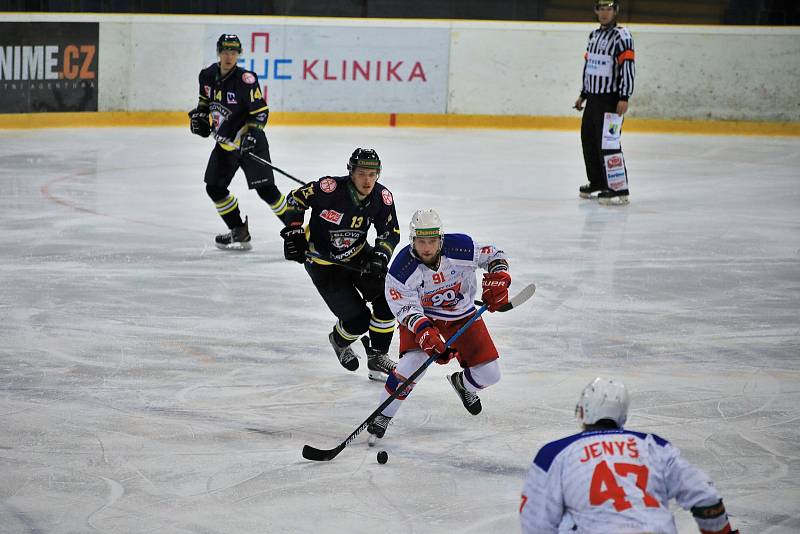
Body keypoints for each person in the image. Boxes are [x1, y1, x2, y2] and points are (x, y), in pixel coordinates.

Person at [520, 378, 740, 534]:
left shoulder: (554, 454)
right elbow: (705, 496)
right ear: (623, 415)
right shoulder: (654, 446)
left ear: (582, 411)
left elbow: (537, 522)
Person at [366, 209, 512, 440]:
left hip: (461, 315)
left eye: (432, 241)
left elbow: (494, 254)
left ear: (440, 239)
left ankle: (464, 385)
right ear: (412, 240)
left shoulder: (461, 247)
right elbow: (405, 308)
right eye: (421, 241)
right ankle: (384, 413)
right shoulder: (401, 270)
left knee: (491, 374)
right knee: (412, 365)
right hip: (423, 317)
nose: (427, 247)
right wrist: (424, 331)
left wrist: (499, 278)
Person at [280, 148, 400, 381]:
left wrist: (380, 256)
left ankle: (377, 357)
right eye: (362, 173)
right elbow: (295, 198)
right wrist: (294, 230)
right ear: (351, 172)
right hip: (323, 263)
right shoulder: (329, 189)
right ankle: (338, 340)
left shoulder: (382, 197)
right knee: (358, 321)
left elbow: (390, 231)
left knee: (388, 297)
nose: (367, 180)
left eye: (372, 174)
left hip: (357, 254)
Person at [188, 33, 290, 250]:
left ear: (238, 54)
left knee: (267, 191)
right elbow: (204, 104)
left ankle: (300, 232)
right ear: (218, 52)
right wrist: (200, 119)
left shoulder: (246, 81)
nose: (229, 56)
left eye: (233, 52)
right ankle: (239, 231)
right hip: (226, 145)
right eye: (225, 52)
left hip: (251, 143)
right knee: (214, 188)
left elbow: (261, 113)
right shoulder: (206, 75)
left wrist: (251, 135)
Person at [573, 0, 635, 205]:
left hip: (611, 99)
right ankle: (598, 181)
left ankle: (618, 188)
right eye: (601, 9)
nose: (605, 13)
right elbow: (589, 66)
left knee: (609, 143)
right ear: (596, 11)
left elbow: (627, 66)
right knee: (589, 140)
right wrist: (583, 94)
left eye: (609, 9)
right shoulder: (594, 35)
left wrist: (624, 96)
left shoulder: (622, 36)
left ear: (615, 11)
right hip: (593, 99)